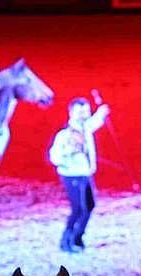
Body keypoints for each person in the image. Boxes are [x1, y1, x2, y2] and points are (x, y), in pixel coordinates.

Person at [47, 96, 109, 253]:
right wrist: (69, 152)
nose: (83, 115)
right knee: (78, 209)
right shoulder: (64, 135)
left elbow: (95, 121)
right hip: (72, 175)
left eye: (86, 112)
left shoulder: (85, 128)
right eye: (80, 112)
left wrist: (102, 111)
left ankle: (78, 236)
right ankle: (66, 240)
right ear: (71, 113)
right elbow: (54, 157)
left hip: (85, 174)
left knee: (90, 205)